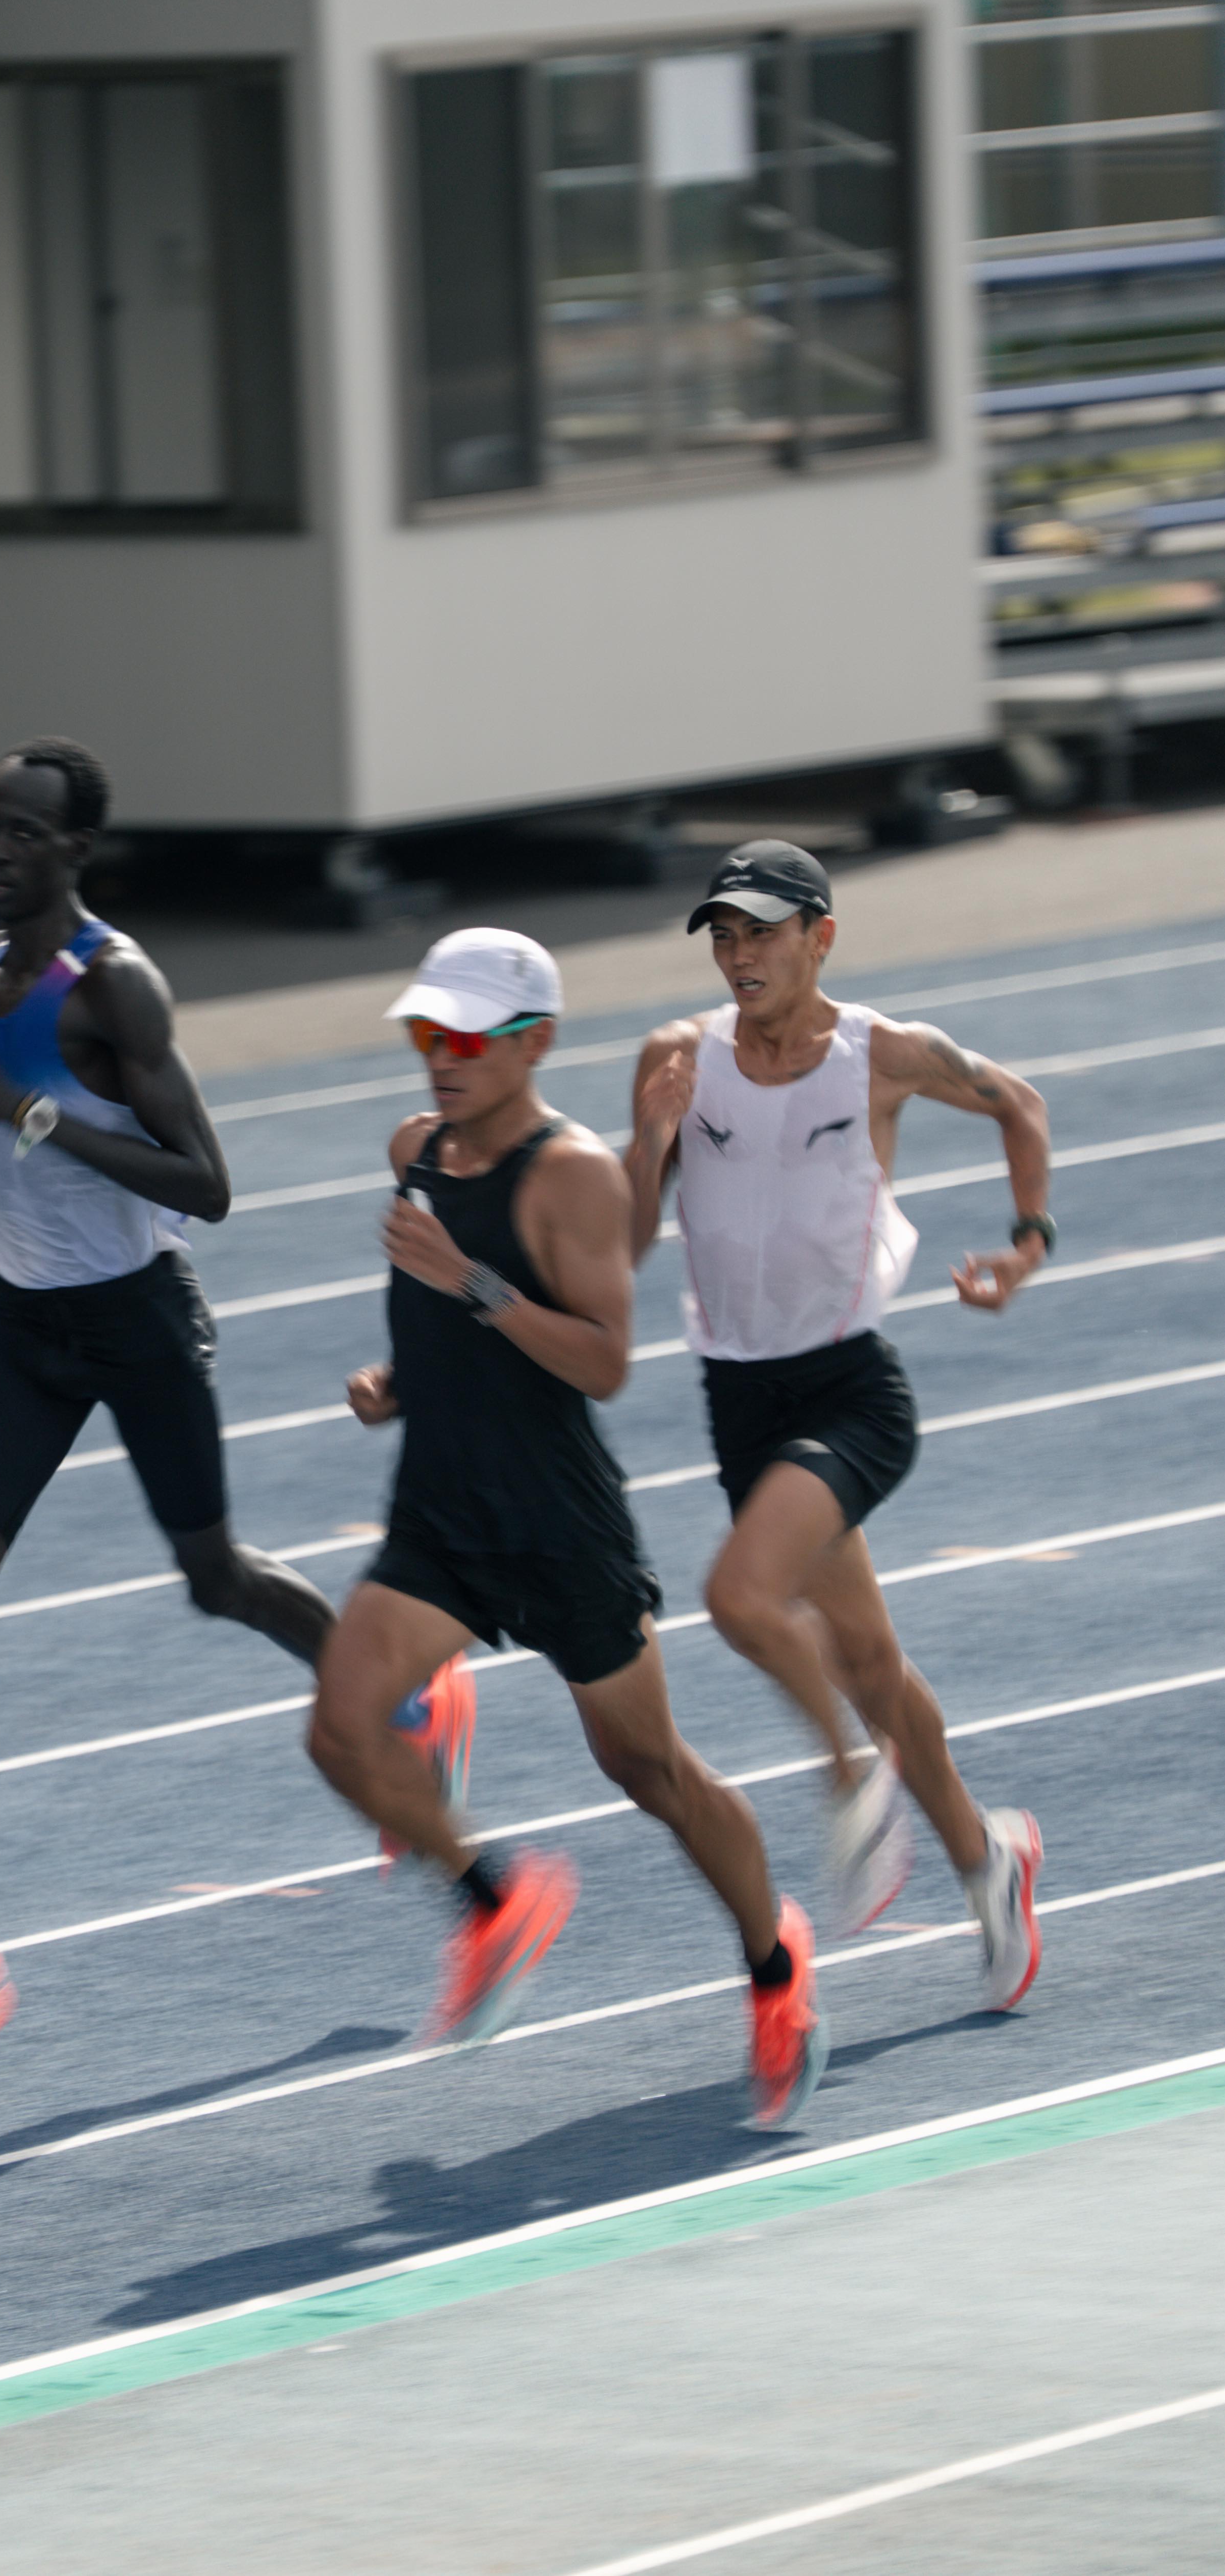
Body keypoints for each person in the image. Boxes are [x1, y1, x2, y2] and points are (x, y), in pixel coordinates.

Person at [0, 738, 472, 2062]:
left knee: (215, 1577)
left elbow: (202, 1181)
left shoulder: (116, 986)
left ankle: (410, 1696)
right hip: (25, 1328)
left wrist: (11, 1114)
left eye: (26, 832)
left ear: (77, 851)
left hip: (138, 1323)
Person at [308, 926, 827, 2126]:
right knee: (339, 1730)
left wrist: (468, 1285)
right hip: (441, 1513)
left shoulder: (572, 1175)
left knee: (651, 1771)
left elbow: (601, 1362)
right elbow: (447, 1328)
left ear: (534, 1042)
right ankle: (495, 1897)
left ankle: (773, 1959)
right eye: (425, 1035)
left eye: (466, 1039)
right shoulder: (414, 1155)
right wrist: (403, 1377)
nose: (439, 1060)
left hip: (556, 1525)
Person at [624, 841, 1048, 2008]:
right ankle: (986, 1858)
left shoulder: (883, 1055)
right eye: (722, 933)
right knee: (865, 1655)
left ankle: (845, 1769)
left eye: (761, 931)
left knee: (741, 1597)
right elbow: (619, 1247)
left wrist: (1025, 1244)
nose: (738, 954)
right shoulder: (674, 1059)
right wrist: (647, 1147)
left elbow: (1020, 1103)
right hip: (737, 1393)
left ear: (820, 936)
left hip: (850, 1388)